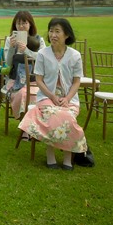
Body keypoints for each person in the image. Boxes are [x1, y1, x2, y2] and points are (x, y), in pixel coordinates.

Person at [17, 17, 87, 170]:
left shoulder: (75, 56)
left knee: (67, 116)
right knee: (52, 114)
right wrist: (52, 96)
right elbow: (39, 80)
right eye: (51, 31)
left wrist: (67, 98)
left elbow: (77, 81)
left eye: (57, 31)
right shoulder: (43, 54)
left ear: (66, 35)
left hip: (69, 99)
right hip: (46, 97)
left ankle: (68, 156)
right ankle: (50, 154)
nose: (53, 35)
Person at [1, 11, 42, 121]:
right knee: (23, 94)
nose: (21, 26)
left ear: (30, 24)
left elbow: (44, 60)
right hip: (15, 81)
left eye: (24, 23)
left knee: (33, 94)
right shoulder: (10, 40)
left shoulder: (38, 40)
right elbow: (8, 63)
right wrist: (11, 48)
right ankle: (25, 126)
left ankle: (32, 125)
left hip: (35, 80)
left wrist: (26, 51)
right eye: (18, 24)